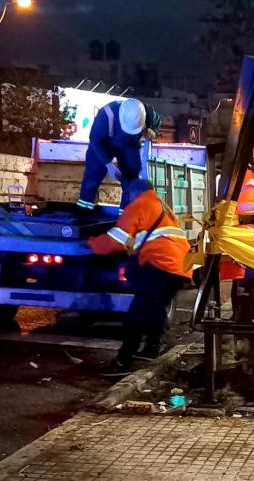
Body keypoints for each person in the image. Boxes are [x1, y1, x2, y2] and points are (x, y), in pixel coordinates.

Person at [88, 179, 191, 376]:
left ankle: (123, 362)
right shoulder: (161, 206)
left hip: (161, 265)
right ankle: (152, 349)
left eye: (128, 194)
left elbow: (115, 240)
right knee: (154, 306)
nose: (127, 199)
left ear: (135, 192)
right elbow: (141, 237)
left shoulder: (139, 204)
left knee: (138, 311)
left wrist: (91, 243)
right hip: (179, 267)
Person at [77, 98, 161, 213]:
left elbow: (156, 120)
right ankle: (83, 213)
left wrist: (152, 129)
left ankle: (126, 217)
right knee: (92, 175)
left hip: (129, 145)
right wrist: (108, 165)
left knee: (131, 179)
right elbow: (95, 140)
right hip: (104, 143)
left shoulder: (144, 111)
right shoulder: (106, 115)